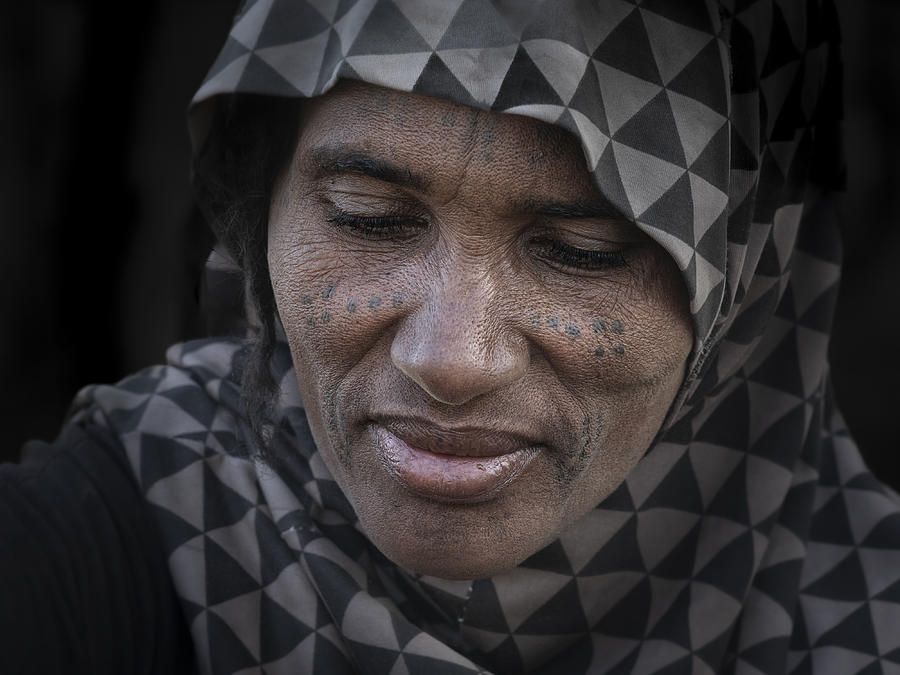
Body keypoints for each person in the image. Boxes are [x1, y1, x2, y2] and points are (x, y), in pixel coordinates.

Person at [2, 1, 898, 673]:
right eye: (369, 219)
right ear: (259, 212)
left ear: (740, 292)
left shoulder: (861, 614)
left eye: (581, 252)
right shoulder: (129, 524)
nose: (450, 357)